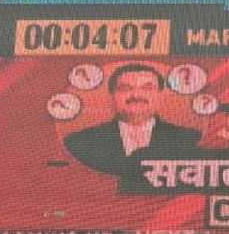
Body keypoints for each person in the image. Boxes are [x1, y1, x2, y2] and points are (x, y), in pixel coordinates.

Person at [64, 63, 201, 178]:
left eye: (147, 88)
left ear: (160, 96)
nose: (136, 95)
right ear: (111, 97)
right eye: (125, 88)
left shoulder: (189, 139)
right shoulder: (80, 142)